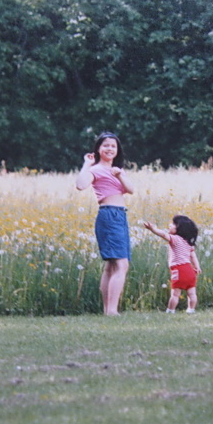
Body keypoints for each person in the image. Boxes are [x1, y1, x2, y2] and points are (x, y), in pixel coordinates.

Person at [76, 132, 134, 316]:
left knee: (112, 266)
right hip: (109, 215)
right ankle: (111, 311)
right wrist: (87, 164)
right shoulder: (96, 169)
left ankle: (108, 310)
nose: (110, 149)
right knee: (121, 265)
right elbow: (80, 185)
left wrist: (120, 175)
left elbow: (131, 190)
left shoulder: (117, 170)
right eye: (106, 145)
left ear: (117, 150)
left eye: (113, 146)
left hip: (120, 216)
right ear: (98, 149)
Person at [143, 215, 201, 314]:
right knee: (191, 294)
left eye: (174, 224)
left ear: (180, 228)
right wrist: (197, 267)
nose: (170, 225)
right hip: (190, 271)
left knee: (175, 294)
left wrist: (153, 229)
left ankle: (170, 310)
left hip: (179, 269)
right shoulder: (188, 243)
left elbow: (164, 235)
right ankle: (191, 309)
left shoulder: (175, 239)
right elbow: (193, 256)